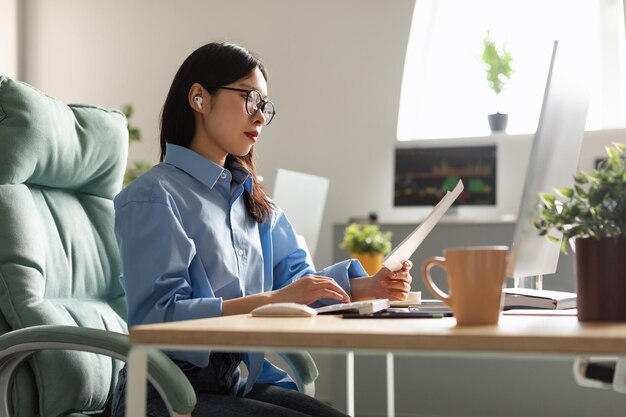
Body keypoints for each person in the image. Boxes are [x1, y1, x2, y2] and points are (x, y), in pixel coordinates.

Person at [111, 41, 413, 417]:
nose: (259, 117)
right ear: (199, 98)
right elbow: (156, 320)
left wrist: (365, 287)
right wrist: (272, 301)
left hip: (233, 385)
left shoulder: (253, 200)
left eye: (264, 107)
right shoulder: (152, 197)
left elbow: (299, 284)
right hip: (160, 394)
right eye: (251, 100)